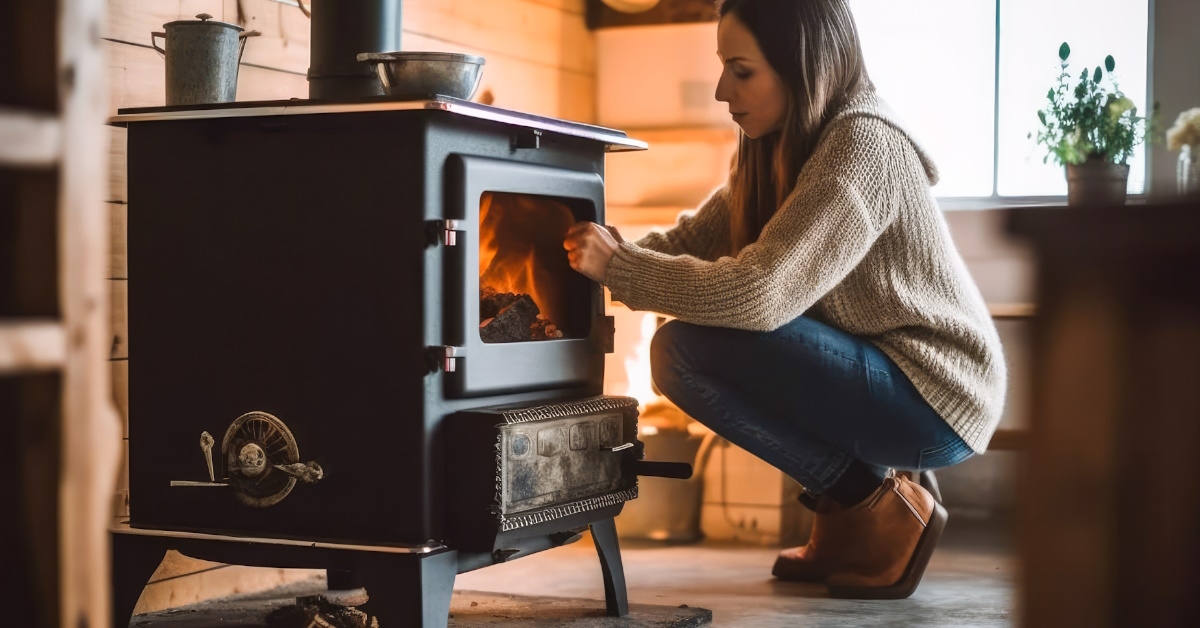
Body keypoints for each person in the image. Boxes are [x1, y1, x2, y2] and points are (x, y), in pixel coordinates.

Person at [563, 0, 1006, 600]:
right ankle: (853, 509)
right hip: (881, 373)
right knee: (685, 338)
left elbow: (760, 295)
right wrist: (590, 261)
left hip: (935, 395)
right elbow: (690, 241)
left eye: (741, 70)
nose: (723, 90)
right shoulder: (776, 146)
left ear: (804, 66)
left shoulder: (862, 147)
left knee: (682, 351)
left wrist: (620, 268)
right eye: (723, 67)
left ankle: (874, 505)